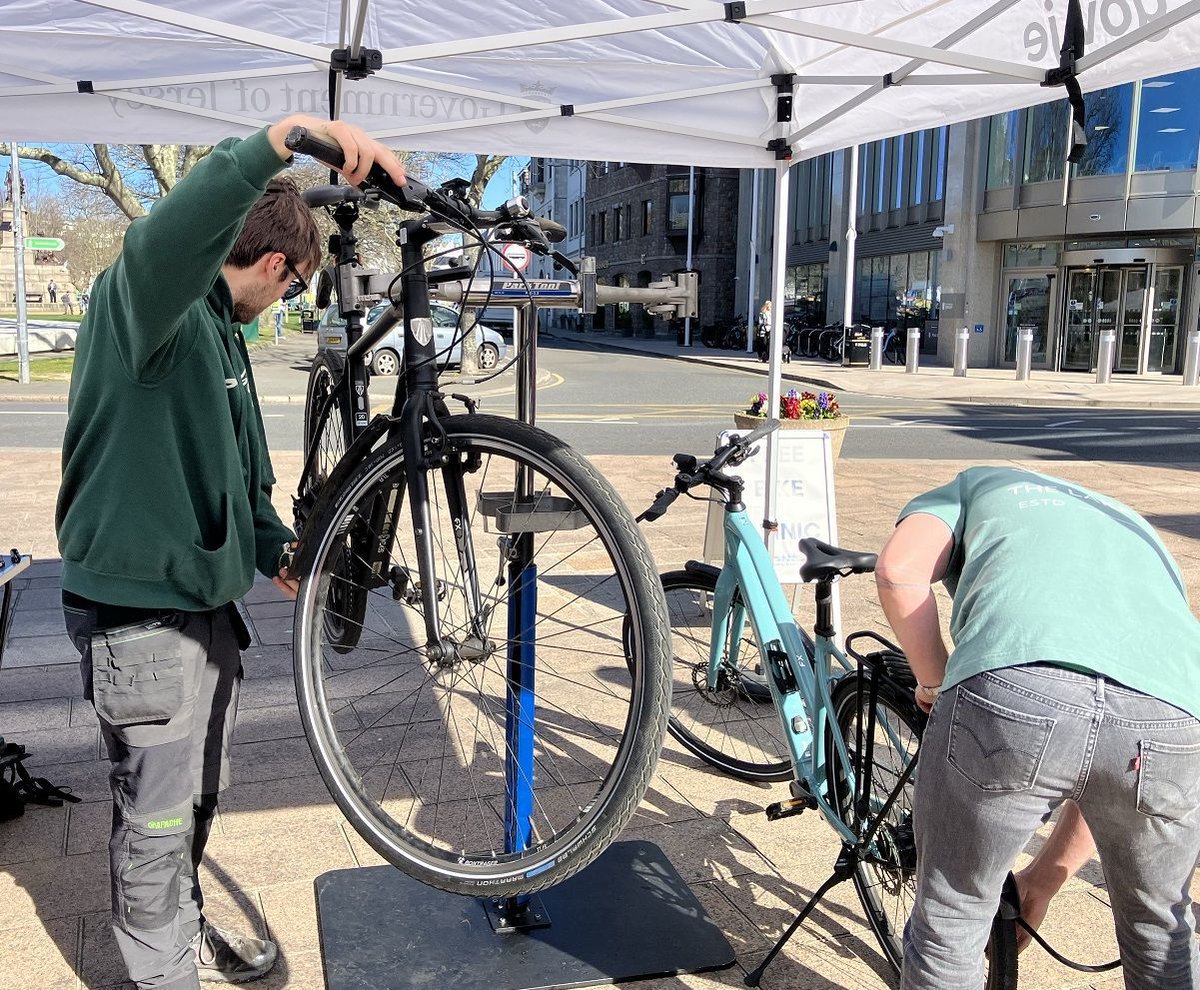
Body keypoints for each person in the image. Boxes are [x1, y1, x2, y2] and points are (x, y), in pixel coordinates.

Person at [56, 114, 406, 990]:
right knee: (158, 821)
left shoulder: (220, 334)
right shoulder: (147, 305)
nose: (282, 306)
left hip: (203, 608)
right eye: (288, 290)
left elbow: (242, 480)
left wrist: (273, 547)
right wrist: (284, 138)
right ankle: (161, 972)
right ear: (277, 265)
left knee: (196, 797)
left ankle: (183, 926)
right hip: (142, 614)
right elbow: (168, 232)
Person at [875, 466, 1200, 990]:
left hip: (1015, 686)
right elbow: (1103, 756)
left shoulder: (974, 484)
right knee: (1160, 926)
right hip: (1172, 713)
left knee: (954, 916)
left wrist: (934, 680)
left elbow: (897, 571)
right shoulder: (1131, 525)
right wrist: (1042, 880)